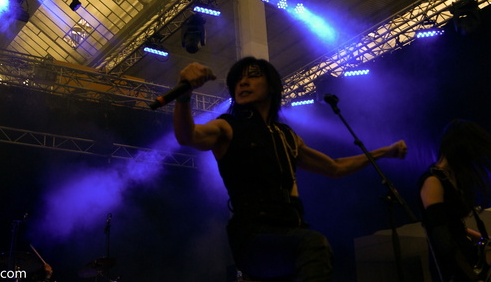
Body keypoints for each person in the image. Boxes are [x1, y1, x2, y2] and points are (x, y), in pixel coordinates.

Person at [173, 57, 408, 281]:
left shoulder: (287, 137)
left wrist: (383, 152)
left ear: (271, 86)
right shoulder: (227, 127)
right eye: (237, 80)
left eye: (253, 76)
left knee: (313, 248)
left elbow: (335, 167)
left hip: (290, 232)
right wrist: (184, 94)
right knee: (313, 244)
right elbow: (188, 135)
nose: (242, 83)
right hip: (254, 237)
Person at [418, 120, 491, 282]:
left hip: (469, 261)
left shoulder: (453, 179)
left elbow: (457, 229)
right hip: (453, 268)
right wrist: (469, 275)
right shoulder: (433, 181)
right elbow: (441, 236)